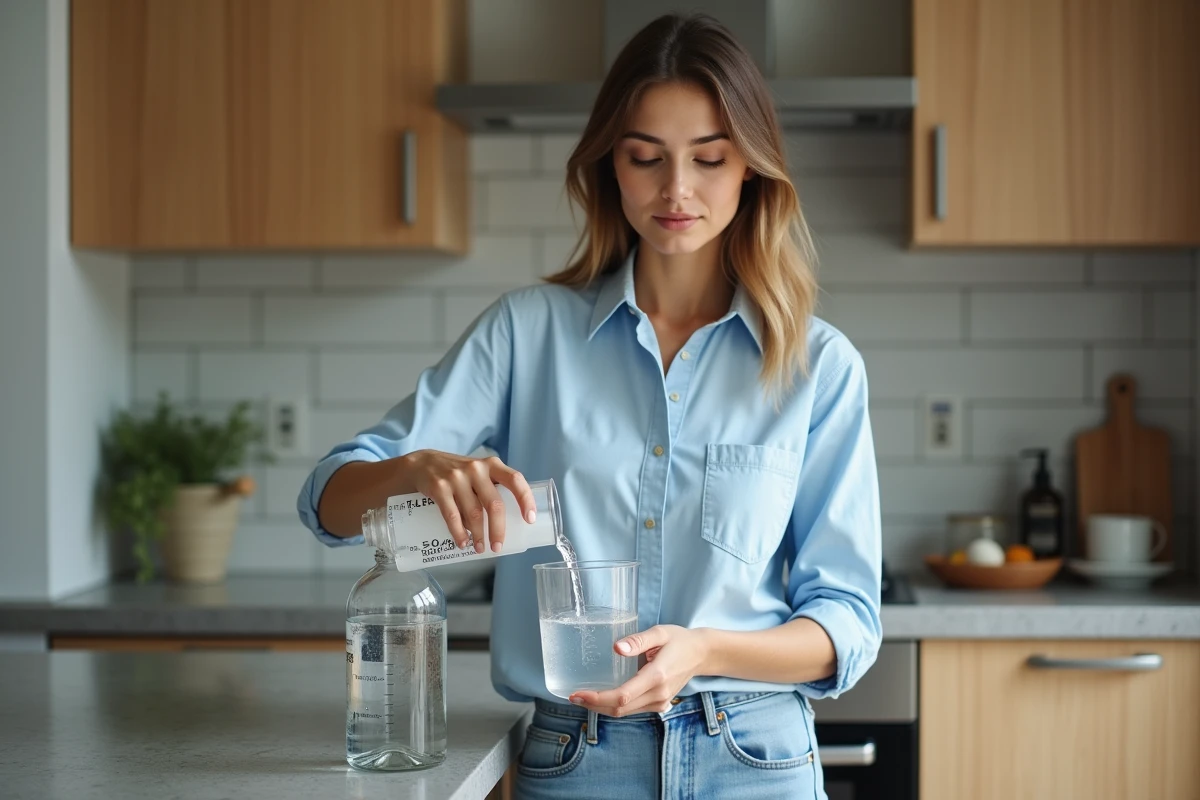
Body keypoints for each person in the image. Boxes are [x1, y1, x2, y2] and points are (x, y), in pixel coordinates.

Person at [297, 13, 880, 799]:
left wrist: (701, 650)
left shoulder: (819, 366)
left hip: (755, 756)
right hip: (576, 757)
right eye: (647, 158)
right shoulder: (525, 333)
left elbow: (845, 622)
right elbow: (329, 503)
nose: (677, 190)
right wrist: (413, 469)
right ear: (611, 166)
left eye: (709, 158)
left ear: (752, 169)